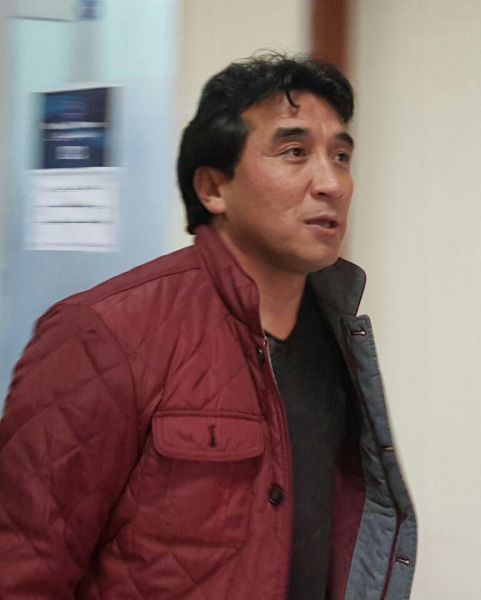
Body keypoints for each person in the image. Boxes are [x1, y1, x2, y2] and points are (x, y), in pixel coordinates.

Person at [0, 53, 416, 599]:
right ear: (213, 188)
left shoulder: (338, 334)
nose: (332, 183)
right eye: (295, 152)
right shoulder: (104, 334)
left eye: (341, 156)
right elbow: (23, 567)